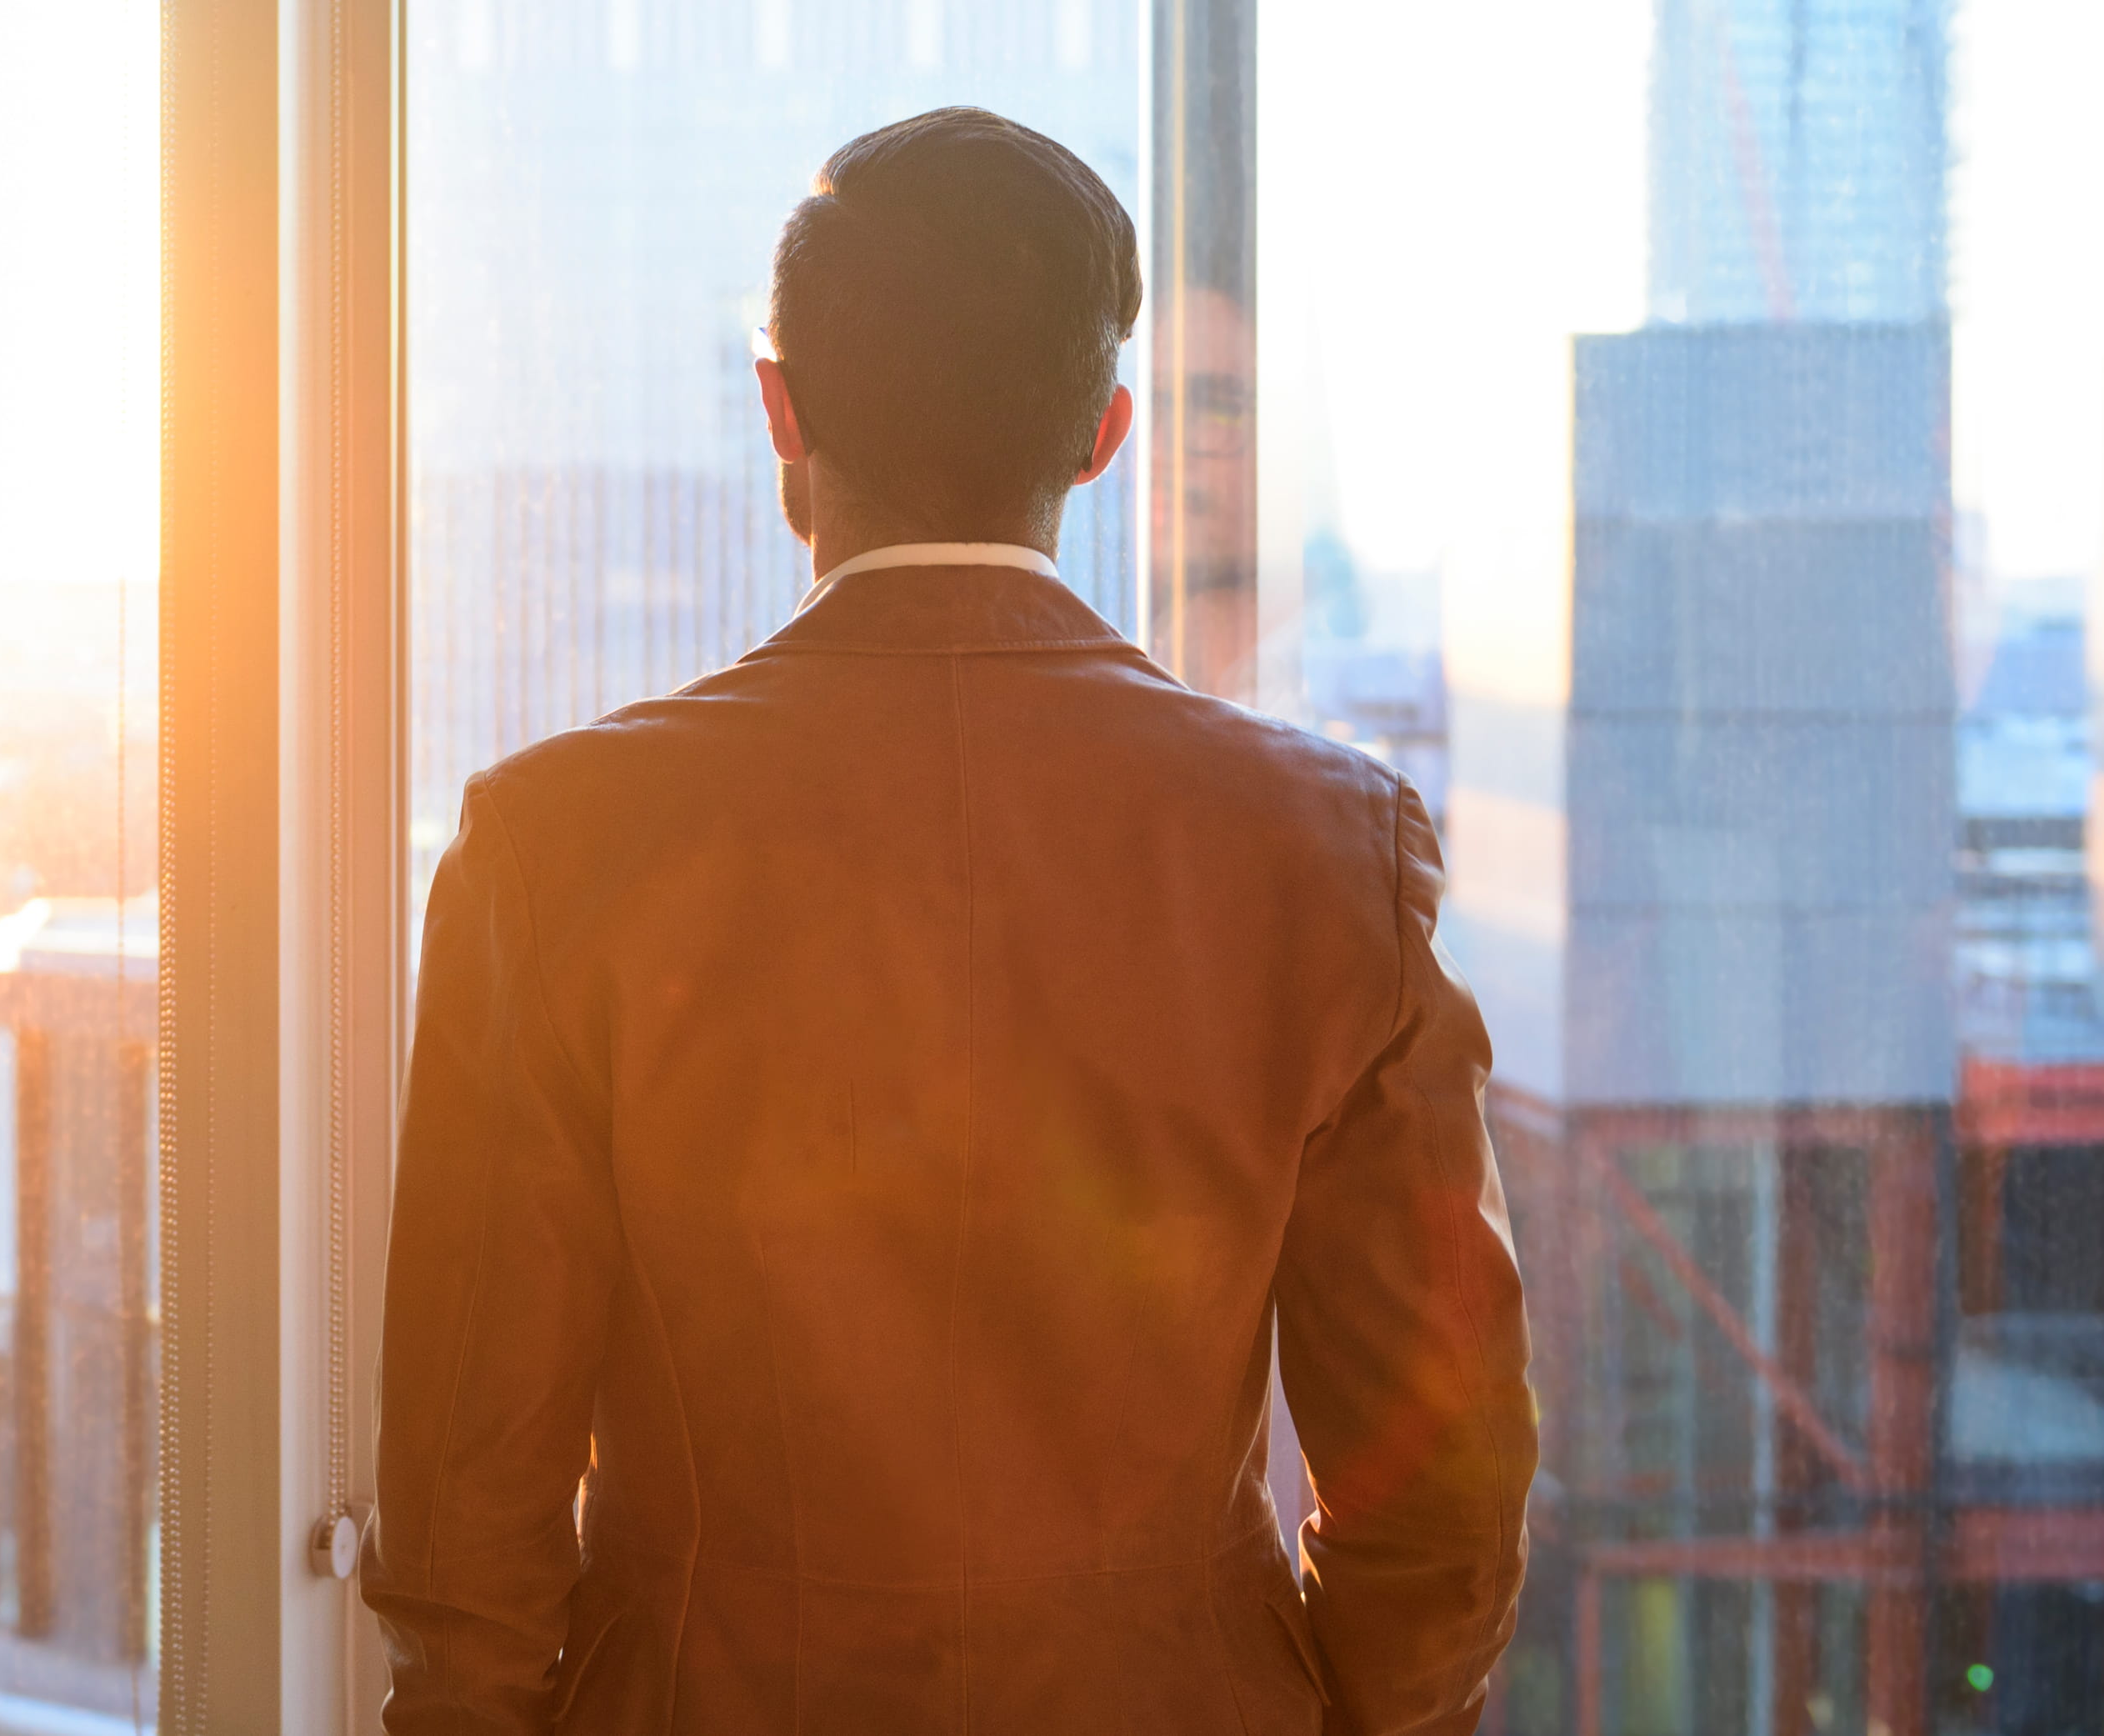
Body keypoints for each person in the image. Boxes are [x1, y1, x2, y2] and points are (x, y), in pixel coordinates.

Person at [362, 108, 1535, 1735]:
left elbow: (463, 1508)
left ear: (780, 410)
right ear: (1102, 432)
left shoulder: (552, 852)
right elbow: (1441, 1491)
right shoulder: (1327, 854)